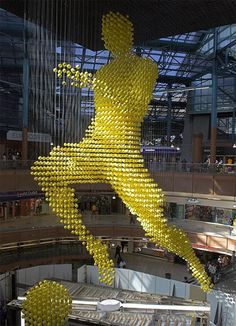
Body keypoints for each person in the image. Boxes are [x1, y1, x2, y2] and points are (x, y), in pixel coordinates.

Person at [32, 12, 211, 291]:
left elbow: (136, 107)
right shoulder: (103, 71)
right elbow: (101, 114)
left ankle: (194, 263)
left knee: (157, 230)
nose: (113, 38)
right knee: (46, 169)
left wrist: (93, 84)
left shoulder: (145, 67)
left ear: (129, 35)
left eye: (118, 32)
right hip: (95, 146)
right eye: (108, 33)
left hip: (123, 156)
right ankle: (95, 248)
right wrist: (91, 83)